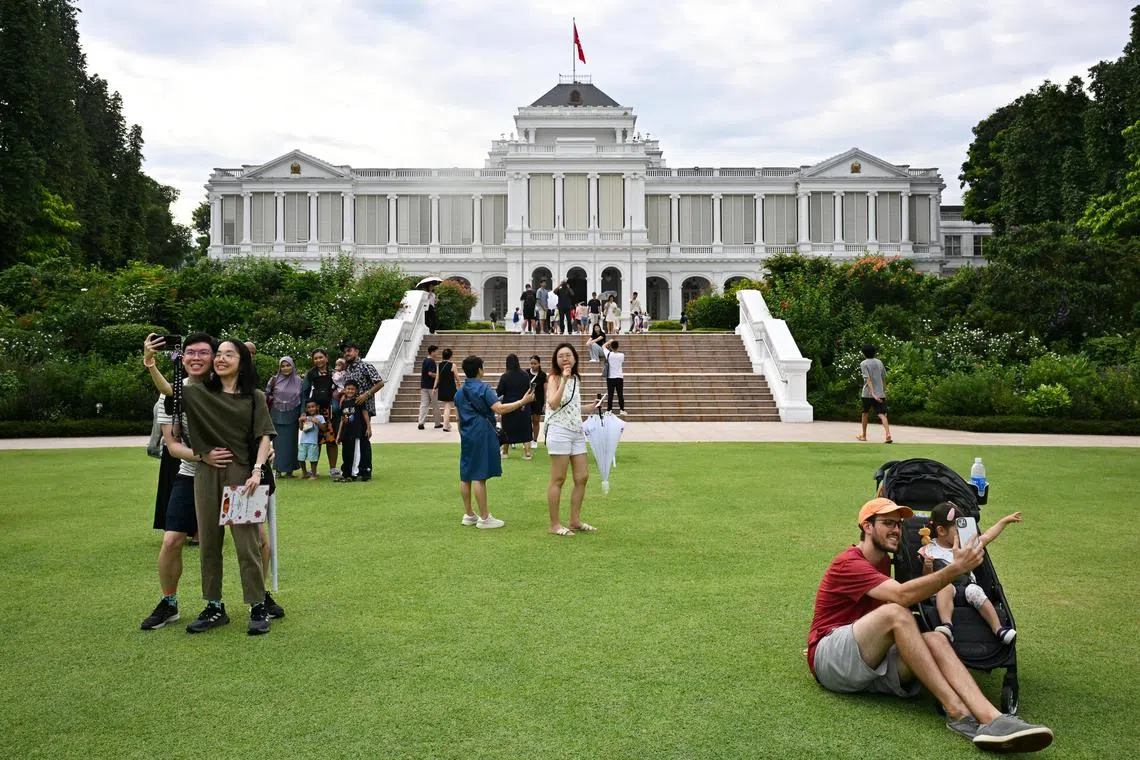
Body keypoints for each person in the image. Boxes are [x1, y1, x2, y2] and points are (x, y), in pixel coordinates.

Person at [807, 497, 1054, 752]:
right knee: (897, 612)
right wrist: (954, 568)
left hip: (865, 661)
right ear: (867, 527)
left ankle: (992, 718)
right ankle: (956, 711)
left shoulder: (881, 561)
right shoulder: (850, 562)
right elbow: (902, 596)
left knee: (936, 637)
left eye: (899, 524)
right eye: (887, 523)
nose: (896, 529)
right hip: (831, 659)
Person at [145, 337, 280, 635]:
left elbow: (265, 436)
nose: (220, 359)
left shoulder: (254, 396)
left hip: (242, 474)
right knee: (209, 541)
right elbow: (169, 391)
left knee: (248, 544)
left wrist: (257, 471)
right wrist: (151, 363)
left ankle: (258, 606)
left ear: (241, 361)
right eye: (217, 354)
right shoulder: (197, 391)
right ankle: (214, 606)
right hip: (206, 473)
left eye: (228, 355)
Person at [140, 332, 223, 630]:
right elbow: (172, 446)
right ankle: (169, 602)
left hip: (231, 474)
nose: (196, 357)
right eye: (190, 352)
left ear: (215, 357)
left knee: (256, 541)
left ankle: (254, 598)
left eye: (204, 352)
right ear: (182, 357)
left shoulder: (227, 389)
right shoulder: (169, 397)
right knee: (172, 539)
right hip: (191, 472)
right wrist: (202, 457)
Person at [922, 502, 1021, 645]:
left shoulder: (966, 546)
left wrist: (1004, 521)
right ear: (941, 531)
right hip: (943, 590)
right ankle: (947, 625)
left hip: (966, 587)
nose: (962, 534)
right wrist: (927, 567)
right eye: (957, 530)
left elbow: (987, 536)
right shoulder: (930, 549)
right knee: (946, 587)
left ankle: (998, 629)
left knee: (975, 590)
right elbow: (926, 578)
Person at [454, 354, 534, 529]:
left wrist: (463, 432)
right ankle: (484, 517)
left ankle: (468, 514)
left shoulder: (460, 392)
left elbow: (458, 417)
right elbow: (500, 409)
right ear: (479, 370)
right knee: (479, 476)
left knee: (466, 474)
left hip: (467, 433)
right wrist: (523, 401)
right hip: (482, 431)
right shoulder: (483, 389)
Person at [544, 343, 594, 537]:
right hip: (559, 431)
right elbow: (554, 404)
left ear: (574, 358)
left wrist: (589, 408)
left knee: (582, 476)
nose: (565, 359)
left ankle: (575, 520)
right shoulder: (554, 378)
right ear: (556, 361)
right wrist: (563, 380)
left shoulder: (576, 379)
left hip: (576, 431)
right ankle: (555, 524)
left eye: (568, 355)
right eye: (560, 356)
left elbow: (571, 405)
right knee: (558, 478)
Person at [341, 340, 384, 477]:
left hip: (364, 407)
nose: (347, 353)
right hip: (351, 409)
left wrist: (366, 395)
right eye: (345, 351)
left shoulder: (366, 366)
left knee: (364, 438)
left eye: (349, 350)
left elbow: (380, 382)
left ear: (357, 351)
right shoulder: (347, 369)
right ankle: (354, 469)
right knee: (351, 439)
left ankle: (365, 469)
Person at [302, 348, 339, 478]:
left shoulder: (334, 373)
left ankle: (333, 469)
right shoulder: (310, 374)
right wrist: (303, 412)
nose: (318, 360)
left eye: (321, 357)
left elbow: (340, 388)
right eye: (316, 358)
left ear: (326, 358)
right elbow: (304, 393)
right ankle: (313, 470)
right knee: (314, 440)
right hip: (313, 411)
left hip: (330, 411)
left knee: (331, 440)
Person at [266, 356, 302, 477]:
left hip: (293, 415)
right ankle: (278, 469)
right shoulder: (274, 379)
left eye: (288, 365)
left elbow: (302, 398)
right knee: (278, 443)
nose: (285, 368)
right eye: (283, 366)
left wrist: (302, 413)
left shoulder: (298, 381)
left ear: (292, 366)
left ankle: (290, 470)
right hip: (276, 414)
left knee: (291, 443)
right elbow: (267, 394)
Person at [496, 353, 533, 460]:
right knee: (525, 429)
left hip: (509, 406)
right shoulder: (525, 375)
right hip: (523, 406)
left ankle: (505, 452)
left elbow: (499, 392)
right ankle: (527, 453)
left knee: (507, 429)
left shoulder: (505, 376)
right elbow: (529, 390)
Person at [335, 380, 371, 481]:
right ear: (344, 390)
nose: (350, 391)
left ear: (356, 390)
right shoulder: (343, 403)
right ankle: (346, 472)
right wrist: (339, 435)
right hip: (347, 432)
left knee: (356, 453)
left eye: (352, 389)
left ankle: (354, 473)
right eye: (348, 389)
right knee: (346, 453)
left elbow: (365, 413)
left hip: (356, 431)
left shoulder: (358, 401)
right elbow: (343, 419)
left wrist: (368, 427)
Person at [857, 343, 892, 444]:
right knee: (882, 414)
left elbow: (868, 379)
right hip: (880, 393)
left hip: (867, 393)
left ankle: (863, 435)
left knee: (865, 413)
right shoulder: (879, 362)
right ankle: (888, 434)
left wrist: (872, 393)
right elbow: (883, 378)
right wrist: (884, 391)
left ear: (864, 353)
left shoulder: (863, 363)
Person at [297, 400, 327, 479]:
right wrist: (300, 421)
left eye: (313, 407)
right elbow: (301, 429)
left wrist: (317, 422)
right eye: (309, 407)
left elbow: (324, 429)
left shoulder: (320, 417)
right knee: (301, 458)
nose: (311, 409)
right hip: (303, 441)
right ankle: (304, 473)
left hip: (313, 442)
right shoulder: (305, 417)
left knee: (313, 459)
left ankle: (314, 475)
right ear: (306, 409)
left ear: (317, 407)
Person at [602, 339, 628, 417]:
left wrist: (609, 341)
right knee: (620, 394)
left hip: (610, 377)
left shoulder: (608, 354)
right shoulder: (621, 355)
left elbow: (603, 346)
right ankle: (622, 410)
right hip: (619, 377)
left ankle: (609, 410)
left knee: (610, 394)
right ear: (618, 347)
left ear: (611, 347)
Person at [418, 344, 442, 430]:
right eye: (436, 351)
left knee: (424, 405)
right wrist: (439, 376)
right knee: (435, 405)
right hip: (432, 387)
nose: (437, 353)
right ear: (432, 352)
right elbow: (430, 373)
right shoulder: (431, 361)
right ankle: (437, 423)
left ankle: (421, 422)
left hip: (424, 385)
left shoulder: (425, 360)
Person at [435, 348, 458, 432]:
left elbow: (437, 378)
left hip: (442, 388)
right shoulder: (453, 365)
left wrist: (434, 388)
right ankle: (445, 426)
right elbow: (457, 378)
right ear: (451, 356)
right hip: (450, 388)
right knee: (448, 407)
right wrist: (459, 386)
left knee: (446, 406)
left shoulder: (439, 365)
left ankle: (447, 424)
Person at [528, 354, 547, 445]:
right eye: (531, 363)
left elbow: (545, 389)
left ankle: (535, 441)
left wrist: (545, 403)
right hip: (527, 400)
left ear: (539, 364)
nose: (533, 365)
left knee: (536, 420)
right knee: (527, 421)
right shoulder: (526, 373)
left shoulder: (542, 375)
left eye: (535, 363)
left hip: (538, 401)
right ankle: (528, 439)